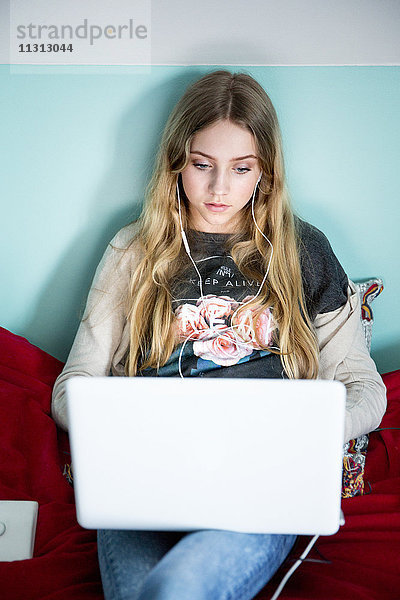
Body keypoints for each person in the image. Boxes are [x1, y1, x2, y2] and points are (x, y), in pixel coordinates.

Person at [51, 70, 386, 600]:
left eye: (241, 168)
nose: (219, 188)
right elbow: (74, 384)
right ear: (176, 162)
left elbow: (363, 385)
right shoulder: (131, 251)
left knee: (180, 587)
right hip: (146, 478)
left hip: (263, 484)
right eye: (202, 166)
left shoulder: (304, 249)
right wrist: (128, 426)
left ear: (266, 173)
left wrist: (299, 436)